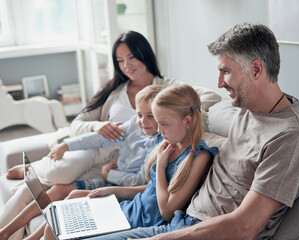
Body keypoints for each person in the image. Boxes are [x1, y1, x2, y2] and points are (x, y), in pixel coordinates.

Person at [78, 23, 299, 240]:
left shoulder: (290, 137)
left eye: (226, 71)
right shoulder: (249, 108)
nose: (219, 83)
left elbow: (244, 227)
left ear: (256, 70)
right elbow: (185, 116)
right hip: (181, 223)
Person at [0, 30, 177, 240]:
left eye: (132, 57)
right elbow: (79, 124)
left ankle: (36, 169)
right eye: (120, 60)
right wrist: (96, 127)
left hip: (114, 169)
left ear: (145, 54)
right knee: (50, 180)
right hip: (98, 151)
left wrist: (108, 175)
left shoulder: (166, 93)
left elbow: (193, 103)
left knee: (60, 188)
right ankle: (6, 229)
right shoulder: (116, 94)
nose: (126, 65)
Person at [43, 84, 218, 240]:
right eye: (158, 123)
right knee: (55, 225)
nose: (159, 130)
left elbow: (166, 211)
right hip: (133, 208)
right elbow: (151, 190)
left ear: (187, 121)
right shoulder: (166, 143)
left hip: (146, 222)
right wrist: (114, 190)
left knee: (61, 230)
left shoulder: (199, 157)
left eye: (163, 124)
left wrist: (161, 166)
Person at [0, 84, 165, 240]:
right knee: (58, 189)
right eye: (139, 115)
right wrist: (66, 145)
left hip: (122, 187)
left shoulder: (158, 145)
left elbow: (139, 180)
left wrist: (111, 174)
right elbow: (99, 138)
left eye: (150, 116)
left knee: (70, 194)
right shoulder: (134, 126)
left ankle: (32, 238)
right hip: (109, 177)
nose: (143, 121)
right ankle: (6, 231)